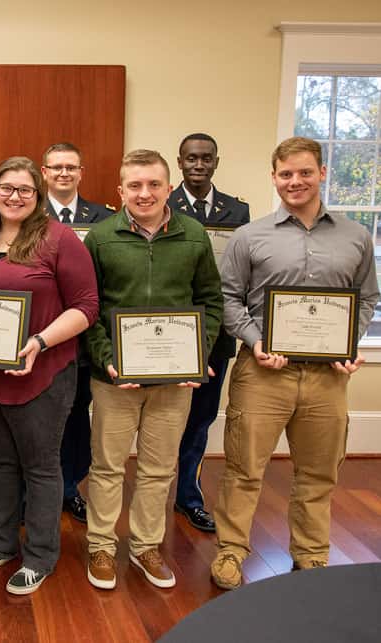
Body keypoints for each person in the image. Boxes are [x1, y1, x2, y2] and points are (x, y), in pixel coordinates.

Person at [210, 137, 379, 590]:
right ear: (274, 178)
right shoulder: (251, 236)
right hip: (263, 371)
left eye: (304, 172)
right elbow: (227, 299)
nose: (295, 181)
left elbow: (366, 299)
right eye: (286, 174)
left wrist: (347, 343)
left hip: (327, 378)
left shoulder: (356, 236)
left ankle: (311, 555)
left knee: (319, 471)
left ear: (322, 173)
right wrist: (253, 338)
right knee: (245, 469)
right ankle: (231, 551)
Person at [0, 156, 98, 595]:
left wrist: (41, 341)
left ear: (38, 195)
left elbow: (86, 306)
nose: (14, 196)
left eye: (25, 189)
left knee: (42, 466)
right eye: (6, 188)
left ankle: (41, 555)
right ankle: (0, 542)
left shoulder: (60, 240)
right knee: (1, 460)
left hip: (41, 374)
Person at [83, 150, 222, 591]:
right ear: (120, 190)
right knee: (107, 467)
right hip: (114, 379)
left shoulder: (194, 236)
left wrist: (196, 355)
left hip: (175, 381)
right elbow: (89, 309)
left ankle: (146, 546)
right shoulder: (101, 238)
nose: (145, 193)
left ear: (168, 187)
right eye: (135, 185)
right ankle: (101, 546)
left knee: (159, 469)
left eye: (154, 185)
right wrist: (106, 357)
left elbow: (211, 303)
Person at [170, 133, 250, 533]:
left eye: (205, 158)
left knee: (199, 420)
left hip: (215, 334)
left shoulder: (237, 211)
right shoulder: (162, 205)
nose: (198, 165)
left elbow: (242, 276)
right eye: (190, 158)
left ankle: (188, 495)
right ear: (179, 161)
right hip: (165, 333)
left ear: (216, 162)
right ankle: (152, 491)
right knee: (159, 418)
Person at [41, 141, 115, 524]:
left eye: (71, 166)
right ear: (45, 173)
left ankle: (70, 487)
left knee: (76, 417)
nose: (64, 173)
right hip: (42, 337)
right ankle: (37, 492)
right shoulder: (28, 216)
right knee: (41, 419)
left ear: (81, 173)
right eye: (56, 167)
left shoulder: (104, 219)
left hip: (86, 339)